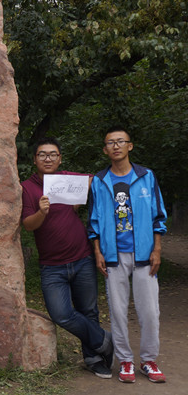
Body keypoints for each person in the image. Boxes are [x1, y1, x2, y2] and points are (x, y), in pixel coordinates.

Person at [21, 137, 113, 378]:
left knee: (89, 311)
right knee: (61, 314)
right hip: (51, 266)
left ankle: (94, 358)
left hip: (81, 257)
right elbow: (28, 225)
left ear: (60, 158)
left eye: (53, 154)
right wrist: (42, 212)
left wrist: (78, 201)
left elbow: (95, 180)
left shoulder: (68, 180)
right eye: (42, 154)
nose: (48, 158)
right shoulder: (27, 187)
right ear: (35, 159)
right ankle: (105, 341)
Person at [88, 126, 167, 384]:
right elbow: (94, 221)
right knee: (118, 310)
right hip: (113, 256)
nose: (116, 146)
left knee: (150, 310)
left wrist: (157, 249)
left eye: (120, 141)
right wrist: (98, 251)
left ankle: (148, 360)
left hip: (144, 254)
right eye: (110, 142)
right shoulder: (100, 182)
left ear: (129, 146)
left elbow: (158, 215)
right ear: (105, 149)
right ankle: (125, 361)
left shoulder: (146, 176)